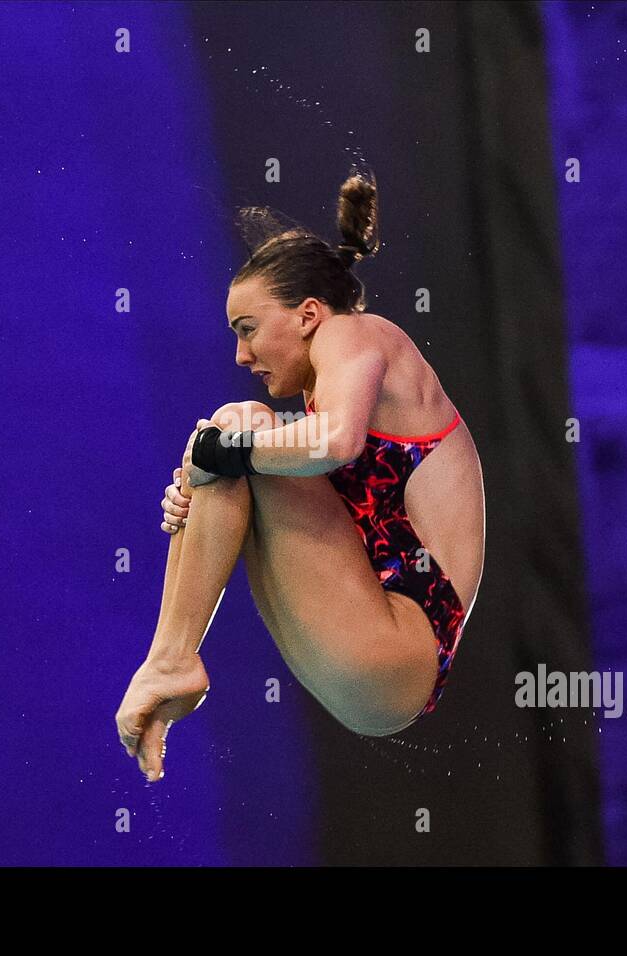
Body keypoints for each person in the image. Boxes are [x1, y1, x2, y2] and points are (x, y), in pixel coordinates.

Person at [115, 170, 485, 782]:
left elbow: (335, 443)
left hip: (401, 643)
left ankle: (172, 659)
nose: (241, 355)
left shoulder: (354, 333)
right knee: (232, 433)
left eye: (248, 329)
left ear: (310, 314)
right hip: (377, 654)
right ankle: (169, 658)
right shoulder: (327, 390)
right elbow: (297, 456)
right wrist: (200, 493)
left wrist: (223, 457)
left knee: (237, 428)